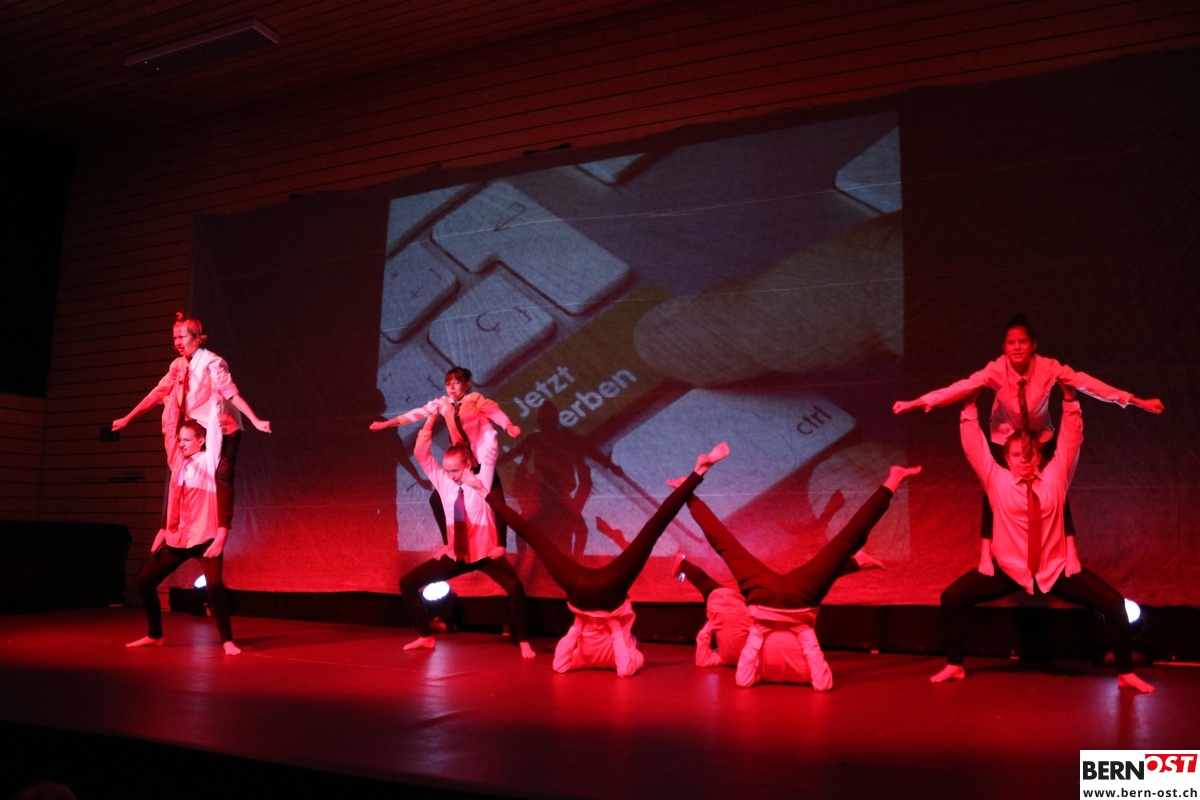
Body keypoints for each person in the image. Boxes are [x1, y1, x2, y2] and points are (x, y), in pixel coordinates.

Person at [929, 384, 1154, 692]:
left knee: (1114, 603)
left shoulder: (1055, 480)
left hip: (1053, 568)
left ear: (1037, 458)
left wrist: (1070, 401)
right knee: (952, 598)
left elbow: (1070, 443)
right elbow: (974, 448)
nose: (1023, 459)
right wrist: (969, 408)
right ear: (1008, 458)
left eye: (1029, 454)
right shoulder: (996, 482)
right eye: (1016, 455)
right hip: (1009, 567)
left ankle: (1126, 673)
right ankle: (954, 665)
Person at [893, 313, 1162, 546]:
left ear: (1034, 345)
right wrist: (918, 402)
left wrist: (1135, 400)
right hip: (1004, 437)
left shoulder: (1048, 367)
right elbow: (962, 387)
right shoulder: (996, 369)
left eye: (1022, 341)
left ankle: (1066, 545)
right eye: (1011, 343)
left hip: (1038, 436)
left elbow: (1086, 383)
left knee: (1056, 488)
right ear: (1004, 347)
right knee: (994, 490)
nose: (1017, 347)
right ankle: (989, 548)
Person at [463, 443, 731, 677]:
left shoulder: (593, 655)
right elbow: (622, 667)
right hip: (594, 593)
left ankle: (698, 473)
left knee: (650, 530)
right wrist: (613, 630)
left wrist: (588, 627)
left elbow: (563, 665)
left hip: (589, 593)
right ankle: (697, 474)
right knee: (652, 529)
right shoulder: (618, 652)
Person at [675, 463, 919, 689]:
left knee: (725, 543)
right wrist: (798, 631)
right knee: (725, 544)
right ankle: (889, 490)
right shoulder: (787, 649)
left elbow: (817, 682)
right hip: (792, 598)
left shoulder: (774, 656)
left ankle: (687, 492)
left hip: (773, 598)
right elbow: (815, 682)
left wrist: (770, 630)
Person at [112, 311, 271, 540]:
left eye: (182, 337)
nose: (177, 342)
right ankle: (167, 526)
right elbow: (156, 394)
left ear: (197, 338)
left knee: (222, 472)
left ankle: (222, 530)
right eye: (175, 338)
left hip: (223, 427)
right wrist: (129, 417)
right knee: (180, 470)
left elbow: (231, 394)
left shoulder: (211, 362)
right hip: (198, 428)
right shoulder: (178, 365)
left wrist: (254, 419)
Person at [399, 415, 535, 658]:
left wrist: (483, 419)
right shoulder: (444, 482)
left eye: (456, 471)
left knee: (515, 587)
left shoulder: (481, 480)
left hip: (485, 554)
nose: (452, 476)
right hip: (457, 555)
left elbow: (491, 443)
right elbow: (421, 452)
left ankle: (524, 641)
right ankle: (425, 636)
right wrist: (431, 419)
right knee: (407, 583)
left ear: (469, 464)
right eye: (448, 471)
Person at [673, 543, 885, 672]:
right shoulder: (727, 657)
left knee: (812, 581)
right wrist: (711, 627)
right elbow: (703, 654)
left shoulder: (734, 658)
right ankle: (681, 563)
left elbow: (705, 656)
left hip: (753, 607)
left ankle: (681, 564)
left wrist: (711, 627)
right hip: (747, 605)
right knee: (812, 580)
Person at [126, 420, 241, 655]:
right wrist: (163, 529)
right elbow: (173, 500)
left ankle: (227, 640)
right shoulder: (178, 464)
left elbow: (217, 432)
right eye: (180, 440)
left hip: (205, 538)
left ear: (201, 441)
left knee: (214, 586)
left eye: (186, 440)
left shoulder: (209, 460)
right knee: (144, 582)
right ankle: (155, 635)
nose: (181, 444)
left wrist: (218, 408)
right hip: (179, 539)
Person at [370, 366, 519, 545]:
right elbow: (416, 414)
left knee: (496, 501)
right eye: (448, 384)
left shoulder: (475, 400)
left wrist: (508, 425)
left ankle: (500, 545)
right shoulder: (443, 403)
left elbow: (494, 412)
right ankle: (449, 543)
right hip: (462, 464)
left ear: (467, 385)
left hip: (480, 463)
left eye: (456, 382)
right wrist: (386, 424)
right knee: (436, 500)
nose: (452, 387)